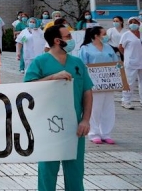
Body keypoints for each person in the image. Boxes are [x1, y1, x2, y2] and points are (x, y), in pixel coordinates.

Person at [25, 24, 93, 191]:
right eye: (68, 37)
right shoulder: (40, 62)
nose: (71, 40)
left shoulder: (77, 62)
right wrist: (53, 77)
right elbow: (28, 89)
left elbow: (87, 92)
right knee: (48, 169)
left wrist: (85, 119)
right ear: (57, 41)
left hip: (75, 125)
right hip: (48, 124)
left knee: (75, 170)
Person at [78, 26, 118, 144]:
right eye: (104, 34)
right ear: (96, 35)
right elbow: (82, 66)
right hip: (94, 83)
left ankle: (106, 133)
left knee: (108, 108)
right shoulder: (85, 49)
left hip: (109, 82)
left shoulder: (109, 48)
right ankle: (93, 133)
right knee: (95, 108)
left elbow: (116, 63)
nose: (106, 36)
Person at [119, 17, 141, 109]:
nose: (133, 24)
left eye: (135, 22)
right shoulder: (126, 35)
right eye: (131, 22)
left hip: (141, 61)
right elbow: (120, 47)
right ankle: (126, 101)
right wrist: (128, 56)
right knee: (129, 82)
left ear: (139, 24)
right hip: (131, 62)